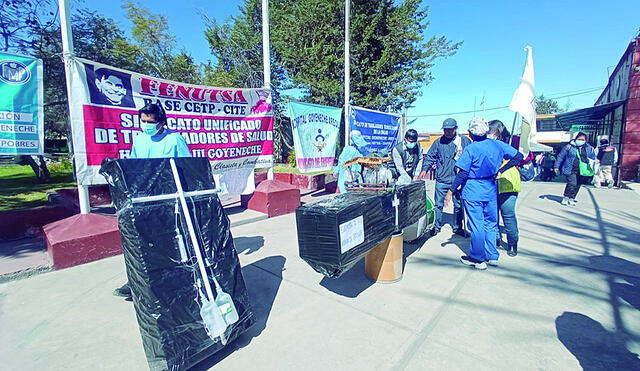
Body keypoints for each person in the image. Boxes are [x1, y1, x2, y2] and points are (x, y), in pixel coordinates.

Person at [113, 102, 191, 299]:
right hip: (143, 200)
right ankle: (138, 283)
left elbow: (187, 169)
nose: (146, 124)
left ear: (161, 122)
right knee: (143, 244)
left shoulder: (174, 140)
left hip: (167, 201)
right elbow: (133, 168)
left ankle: (167, 283)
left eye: (150, 121)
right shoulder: (139, 141)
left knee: (168, 244)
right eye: (143, 121)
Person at [445, 118, 523, 270]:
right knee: (491, 223)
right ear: (486, 131)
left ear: (470, 134)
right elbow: (518, 156)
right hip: (490, 188)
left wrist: (451, 190)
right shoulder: (497, 144)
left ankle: (477, 258)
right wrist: (501, 170)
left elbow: (463, 173)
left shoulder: (471, 149)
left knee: (477, 225)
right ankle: (492, 255)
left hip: (473, 189)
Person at [418, 118, 471, 237]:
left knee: (458, 205)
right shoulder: (438, 142)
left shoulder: (464, 141)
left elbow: (471, 157)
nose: (447, 132)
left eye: (450, 130)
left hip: (458, 180)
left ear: (456, 129)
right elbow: (430, 157)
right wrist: (424, 169)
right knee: (438, 205)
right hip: (442, 179)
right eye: (445, 130)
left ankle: (458, 227)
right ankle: (436, 226)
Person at [488, 120, 521, 257]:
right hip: (492, 184)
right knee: (492, 215)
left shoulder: (502, 145)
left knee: (508, 215)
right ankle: (495, 239)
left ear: (495, 133)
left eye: (488, 132)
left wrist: (502, 169)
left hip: (507, 184)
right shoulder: (486, 145)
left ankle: (513, 243)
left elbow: (519, 157)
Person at [554, 132, 596, 206]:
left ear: (585, 140)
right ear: (576, 139)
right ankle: (566, 197)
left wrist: (595, 161)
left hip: (583, 169)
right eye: (579, 139)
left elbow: (592, 157)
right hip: (570, 168)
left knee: (578, 184)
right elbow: (560, 156)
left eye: (582, 139)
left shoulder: (589, 148)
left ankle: (572, 198)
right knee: (572, 183)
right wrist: (556, 166)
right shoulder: (569, 146)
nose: (580, 141)